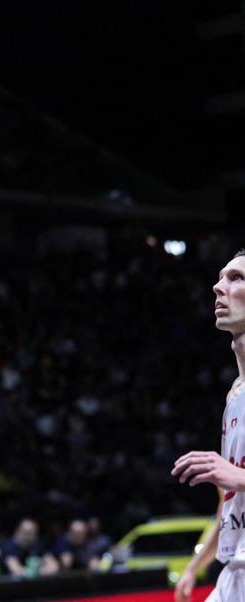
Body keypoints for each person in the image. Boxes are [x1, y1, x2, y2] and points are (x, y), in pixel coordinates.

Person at [173, 249, 245, 601]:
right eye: (220, 277)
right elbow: (228, 504)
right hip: (234, 573)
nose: (218, 287)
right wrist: (195, 565)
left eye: (236, 278)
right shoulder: (234, 395)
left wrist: (239, 477)